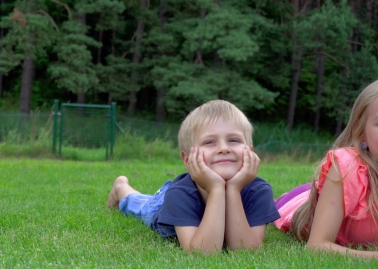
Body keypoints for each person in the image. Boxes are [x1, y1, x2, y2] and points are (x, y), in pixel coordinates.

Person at [106, 100, 280, 254]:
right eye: (209, 142)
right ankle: (121, 188)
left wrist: (233, 189)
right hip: (163, 204)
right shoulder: (180, 194)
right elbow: (203, 252)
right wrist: (216, 189)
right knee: (143, 206)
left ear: (250, 152)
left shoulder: (259, 191)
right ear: (187, 159)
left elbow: (245, 250)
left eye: (234, 140)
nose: (224, 148)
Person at [274, 80, 378, 259]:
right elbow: (317, 245)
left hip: (327, 192)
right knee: (269, 206)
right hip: (297, 203)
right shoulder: (348, 167)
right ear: (361, 133)